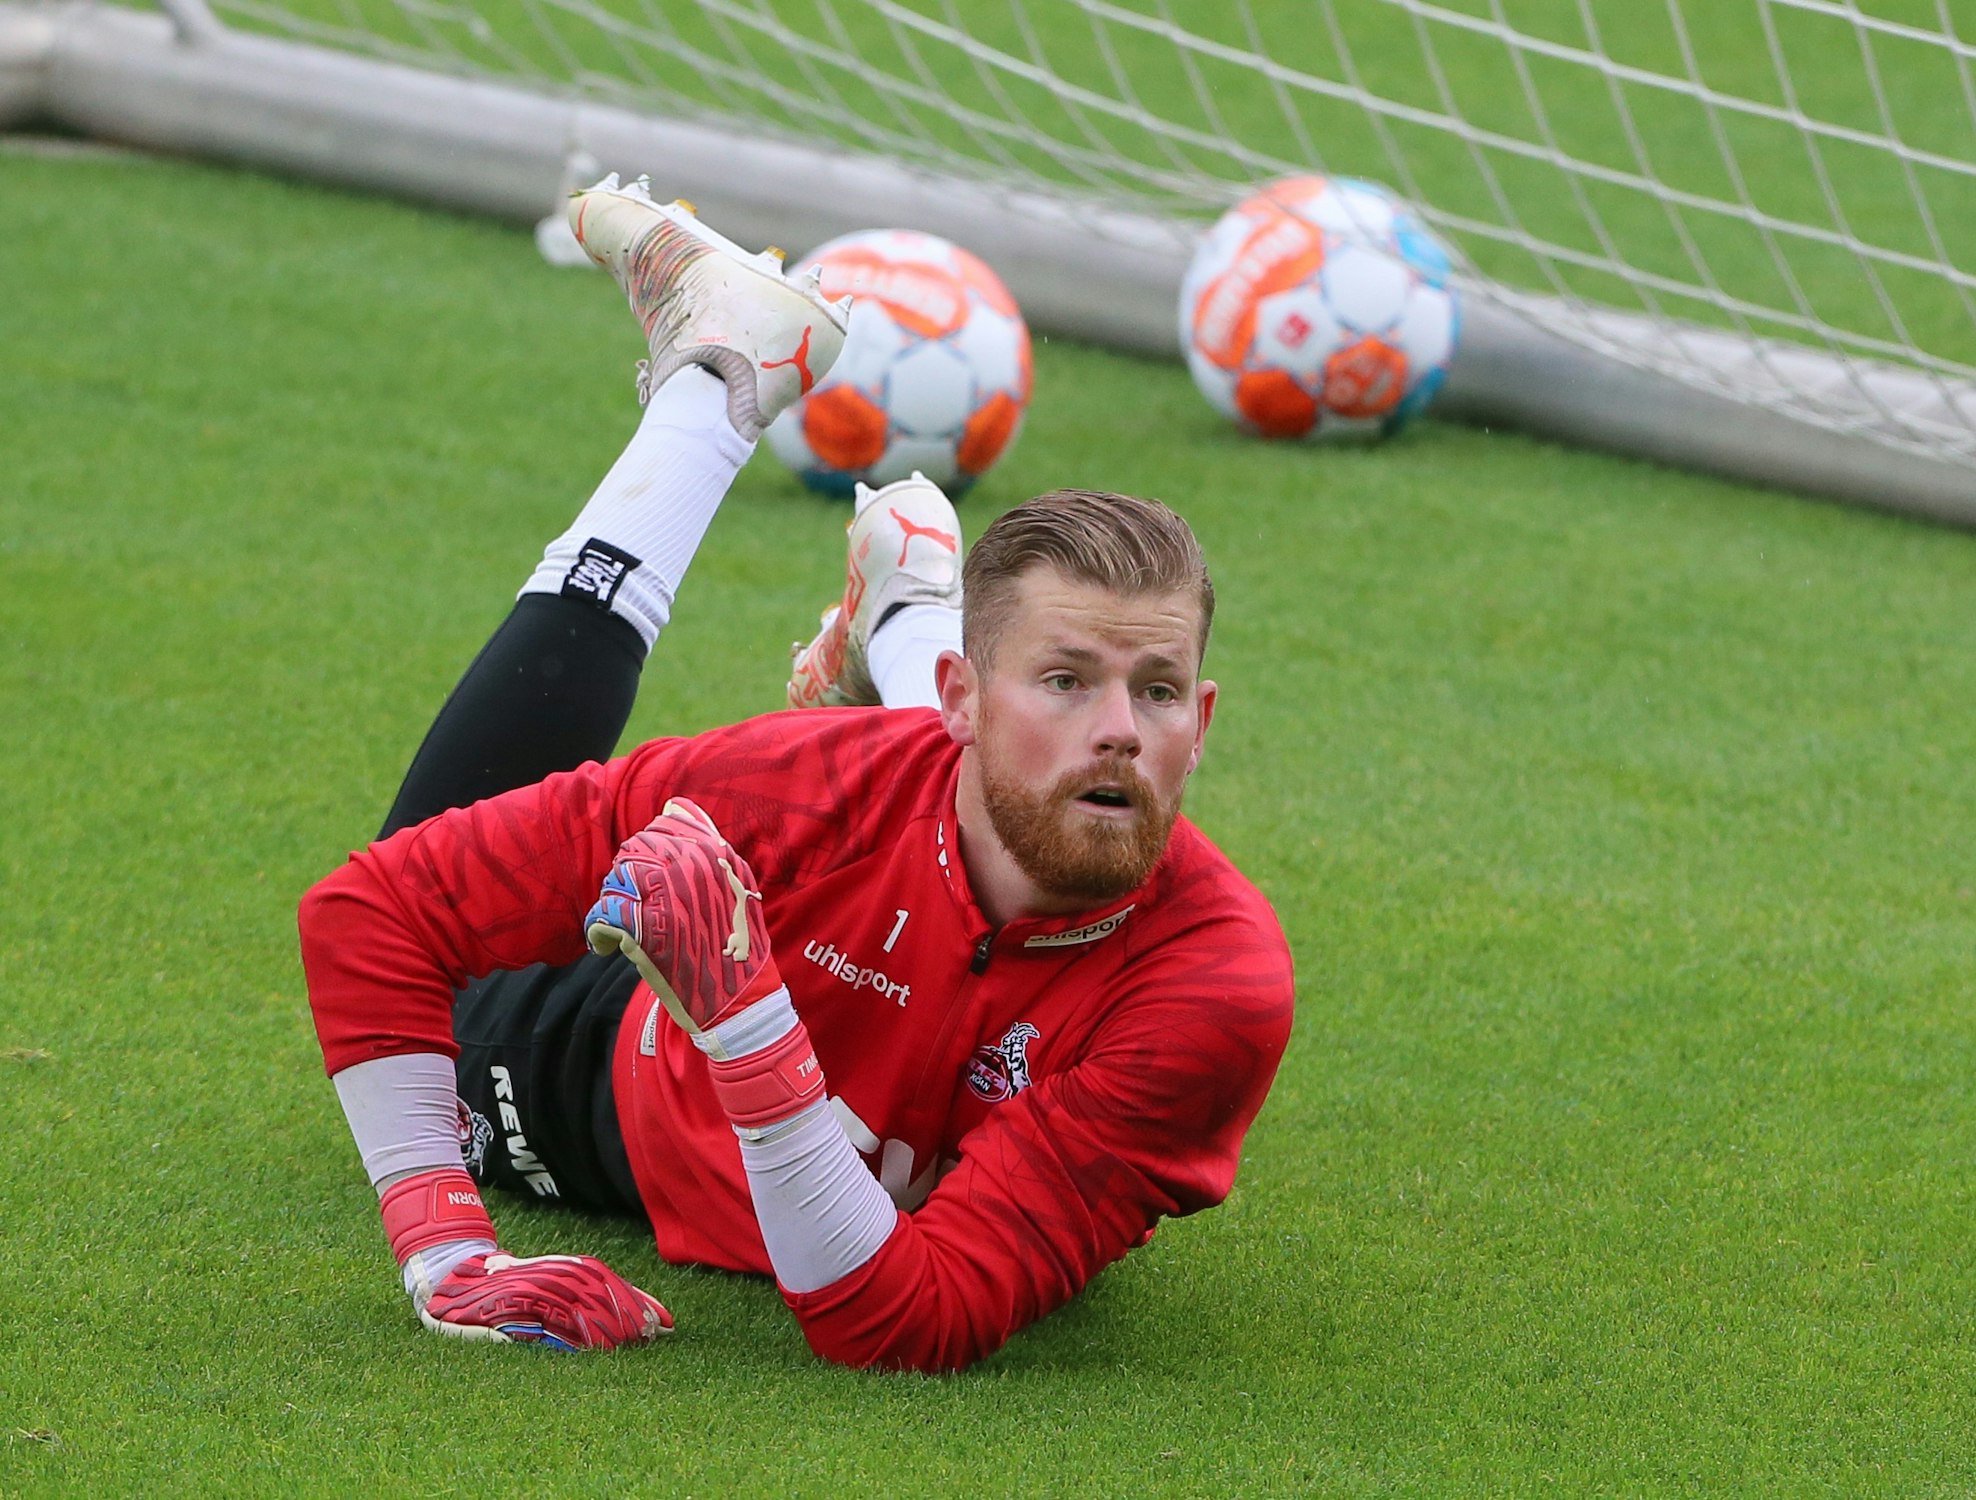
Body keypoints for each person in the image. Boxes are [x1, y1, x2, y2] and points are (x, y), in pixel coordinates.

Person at [298, 177, 1294, 1372]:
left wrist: (745, 1016)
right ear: (965, 707)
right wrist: (452, 1255)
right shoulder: (785, 790)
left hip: (736, 991)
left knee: (957, 774)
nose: (1124, 732)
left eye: (1160, 691)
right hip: (585, 1051)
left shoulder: (1213, 985)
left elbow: (905, 1319)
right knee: (440, 902)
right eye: (1068, 681)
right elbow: (372, 916)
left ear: (1203, 720)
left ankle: (915, 612)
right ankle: (718, 386)